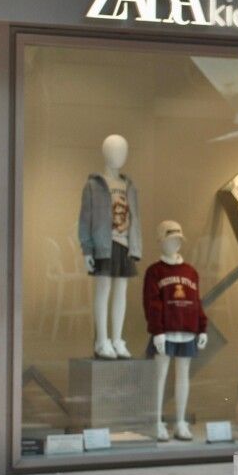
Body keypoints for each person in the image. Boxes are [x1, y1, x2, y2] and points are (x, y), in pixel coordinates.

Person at [143, 220, 208, 441]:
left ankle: (180, 422)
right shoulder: (155, 272)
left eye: (178, 240)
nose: (175, 243)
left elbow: (196, 301)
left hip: (187, 331)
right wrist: (157, 330)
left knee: (183, 377)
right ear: (161, 241)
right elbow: (151, 303)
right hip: (166, 331)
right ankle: (156, 421)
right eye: (171, 239)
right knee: (159, 376)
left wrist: (202, 327)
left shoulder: (190, 272)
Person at [79, 133, 142, 359]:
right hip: (104, 244)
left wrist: (136, 245)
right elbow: (85, 219)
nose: (119, 156)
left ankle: (117, 338)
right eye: (115, 151)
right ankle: (102, 339)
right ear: (106, 154)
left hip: (125, 244)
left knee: (121, 291)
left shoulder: (129, 185)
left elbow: (135, 216)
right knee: (103, 290)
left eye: (122, 151)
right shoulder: (94, 185)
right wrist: (87, 249)